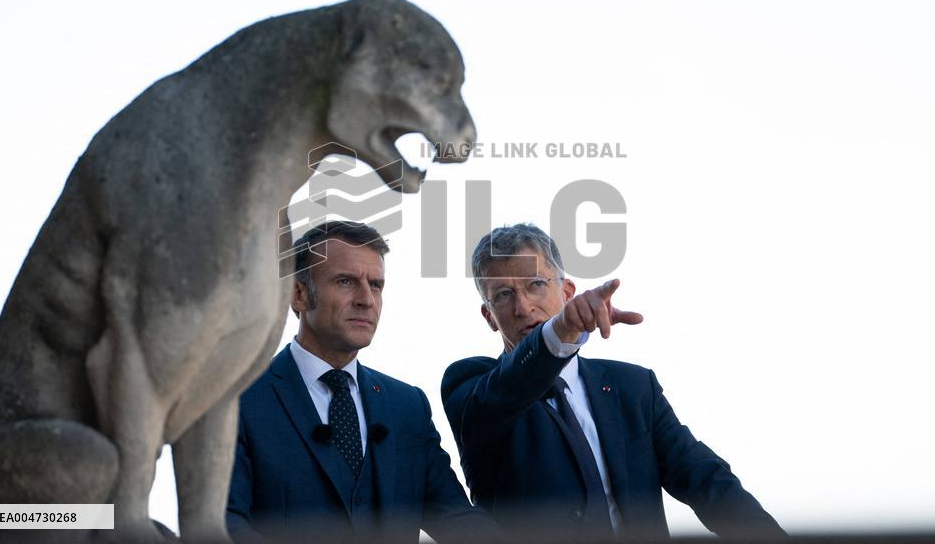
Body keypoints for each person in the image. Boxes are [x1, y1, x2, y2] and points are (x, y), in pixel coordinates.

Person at [441, 223, 785, 541]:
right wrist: (557, 334)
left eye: (535, 284)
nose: (522, 306)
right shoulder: (470, 385)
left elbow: (706, 481)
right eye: (502, 295)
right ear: (488, 316)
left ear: (567, 291)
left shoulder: (633, 388)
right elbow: (509, 388)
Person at [227, 221, 495, 543]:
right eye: (345, 281)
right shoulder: (239, 400)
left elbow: (458, 520)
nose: (366, 299)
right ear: (298, 294)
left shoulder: (408, 406)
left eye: (377, 285)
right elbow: (226, 526)